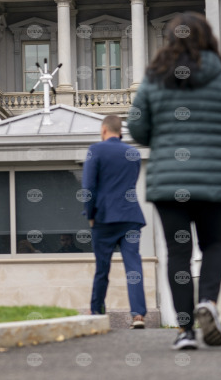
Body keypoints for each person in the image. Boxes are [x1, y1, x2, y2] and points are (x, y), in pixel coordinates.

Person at [127, 12, 221, 350]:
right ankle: (207, 302)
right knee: (214, 245)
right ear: (208, 38)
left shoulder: (154, 78)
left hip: (169, 181)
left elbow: (136, 127)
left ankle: (185, 331)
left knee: (178, 253)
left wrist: (162, 137)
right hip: (213, 178)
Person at [82, 114, 147, 329]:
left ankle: (97, 310)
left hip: (104, 218)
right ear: (120, 132)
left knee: (102, 267)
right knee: (133, 266)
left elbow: (88, 187)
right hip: (130, 216)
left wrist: (90, 215)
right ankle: (138, 315)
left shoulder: (96, 150)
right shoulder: (133, 153)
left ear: (103, 130)